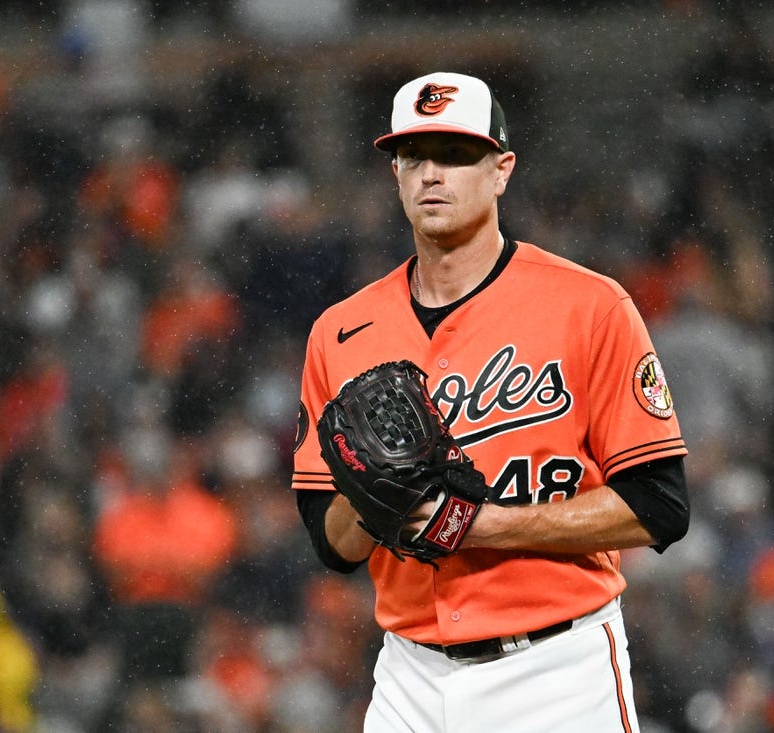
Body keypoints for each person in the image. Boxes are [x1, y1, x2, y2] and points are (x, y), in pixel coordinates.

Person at [292, 72, 690, 732]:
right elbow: (331, 546)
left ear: (501, 170)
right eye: (413, 157)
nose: (430, 175)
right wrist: (375, 499)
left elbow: (660, 506)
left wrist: (479, 525)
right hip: (408, 673)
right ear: (394, 174)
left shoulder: (589, 306)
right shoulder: (340, 330)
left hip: (555, 667)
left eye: (454, 153)